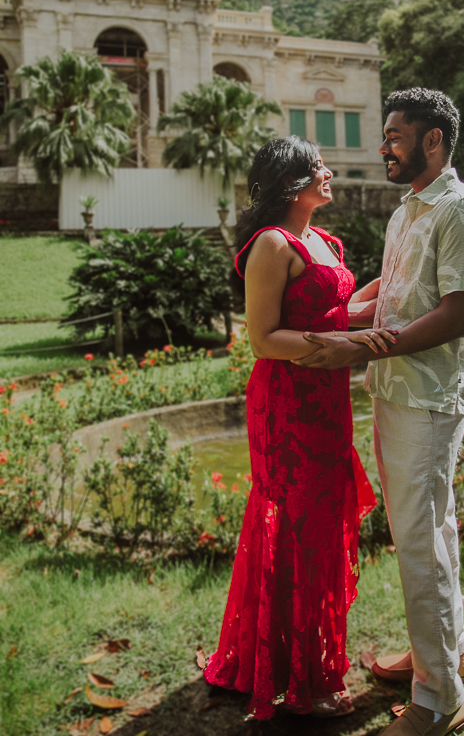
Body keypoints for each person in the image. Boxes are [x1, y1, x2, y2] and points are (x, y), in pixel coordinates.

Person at [297, 89, 464, 736]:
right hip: (395, 391)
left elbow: (456, 311)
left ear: (432, 140)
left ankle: (438, 701)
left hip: (428, 398)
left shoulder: (462, 210)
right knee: (431, 534)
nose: (382, 145)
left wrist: (355, 346)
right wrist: (336, 317)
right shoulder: (408, 210)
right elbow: (395, 286)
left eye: (393, 136)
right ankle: (441, 654)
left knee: (419, 542)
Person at [198, 136, 396, 720]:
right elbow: (262, 339)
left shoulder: (324, 241)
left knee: (323, 523)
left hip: (327, 399)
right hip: (286, 404)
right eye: (318, 168)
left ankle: (298, 659)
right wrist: (350, 343)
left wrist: (391, 288)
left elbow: (337, 314)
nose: (329, 172)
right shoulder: (270, 245)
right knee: (298, 528)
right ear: (291, 181)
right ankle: (302, 676)